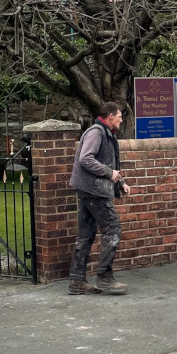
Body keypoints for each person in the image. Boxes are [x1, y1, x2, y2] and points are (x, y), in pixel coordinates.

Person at [68, 101, 131, 295]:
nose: (121, 120)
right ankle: (104, 277)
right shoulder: (97, 132)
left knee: (86, 235)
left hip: (88, 189)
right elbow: (86, 159)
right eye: (119, 116)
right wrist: (109, 173)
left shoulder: (106, 133)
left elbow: (108, 164)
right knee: (113, 229)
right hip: (94, 191)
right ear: (110, 116)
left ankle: (77, 281)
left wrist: (120, 183)